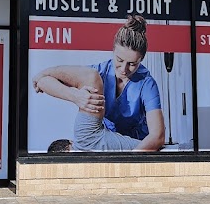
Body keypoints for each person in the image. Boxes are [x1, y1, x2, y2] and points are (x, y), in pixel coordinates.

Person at [33, 16, 165, 151]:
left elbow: (157, 136)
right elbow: (43, 82)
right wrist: (76, 96)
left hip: (139, 146)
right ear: (113, 51)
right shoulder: (98, 73)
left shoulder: (147, 84)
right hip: (106, 140)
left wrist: (130, 159)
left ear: (141, 60)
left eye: (132, 64)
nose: (124, 69)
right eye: (119, 60)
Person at [43, 68, 143, 153]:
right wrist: (75, 96)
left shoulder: (85, 142)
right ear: (71, 142)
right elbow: (91, 76)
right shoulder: (85, 138)